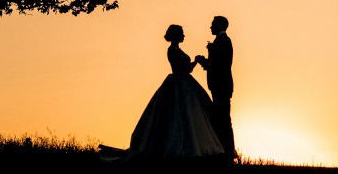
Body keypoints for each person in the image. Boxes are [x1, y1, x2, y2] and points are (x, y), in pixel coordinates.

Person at [99, 24, 223, 161]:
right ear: (176, 35)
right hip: (180, 82)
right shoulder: (172, 50)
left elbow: (185, 68)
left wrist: (195, 62)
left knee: (185, 115)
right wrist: (196, 61)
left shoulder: (176, 49)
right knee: (178, 115)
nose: (184, 35)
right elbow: (184, 69)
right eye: (181, 33)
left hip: (183, 83)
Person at [195, 15, 236, 158]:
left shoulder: (224, 41)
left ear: (219, 25)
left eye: (212, 24)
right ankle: (223, 151)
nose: (210, 27)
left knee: (223, 119)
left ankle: (227, 152)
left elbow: (219, 65)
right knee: (220, 119)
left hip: (222, 86)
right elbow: (215, 65)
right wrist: (204, 61)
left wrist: (204, 60)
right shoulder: (220, 41)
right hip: (218, 85)